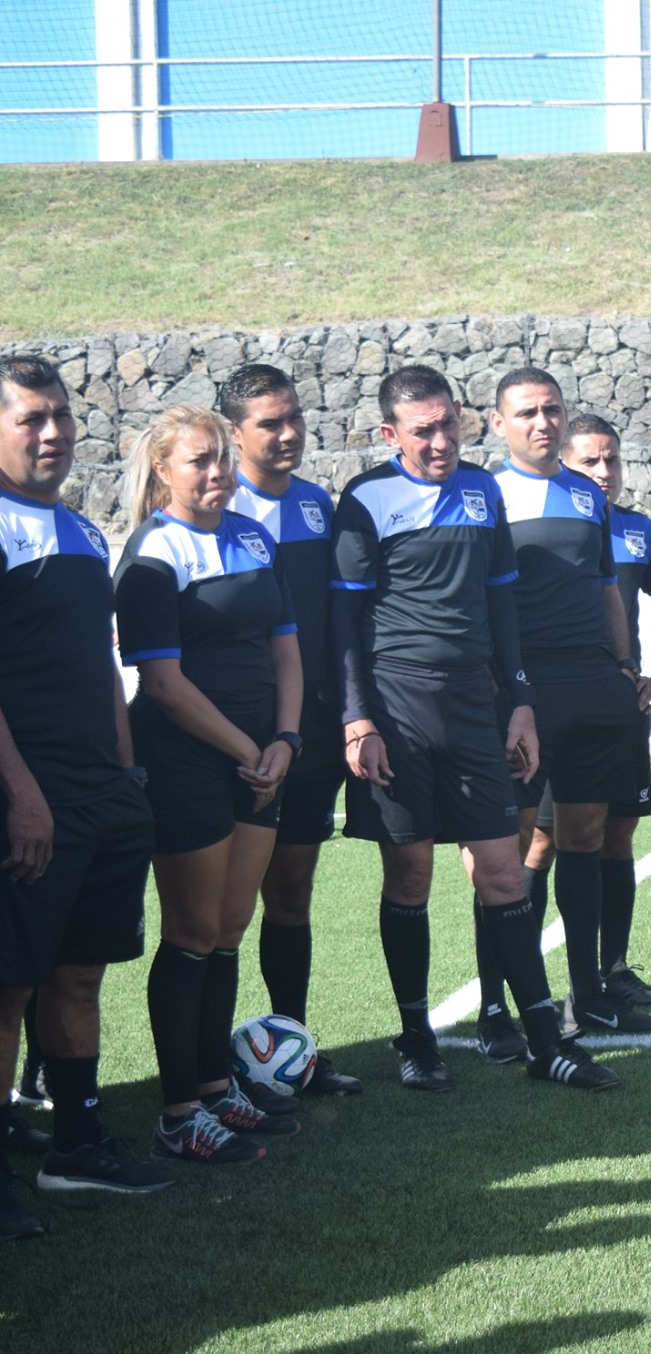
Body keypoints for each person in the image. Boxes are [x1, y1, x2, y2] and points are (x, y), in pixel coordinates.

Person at [333, 364, 616, 1092]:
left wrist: (519, 701)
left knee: (503, 871)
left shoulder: (481, 491)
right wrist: (357, 718)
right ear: (390, 434)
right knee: (411, 875)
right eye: (423, 430)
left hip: (473, 707)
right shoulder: (367, 498)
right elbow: (345, 622)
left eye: (448, 425)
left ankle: (545, 1042)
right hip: (395, 710)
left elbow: (500, 604)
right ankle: (416, 1037)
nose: (440, 441)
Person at [0, 355, 173, 1238]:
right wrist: (22, 794)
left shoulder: (78, 528)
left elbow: (100, 661)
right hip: (25, 795)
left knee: (78, 972)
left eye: (60, 415)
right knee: (8, 985)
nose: (53, 432)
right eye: (31, 418)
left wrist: (126, 769)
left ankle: (76, 1141)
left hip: (100, 792)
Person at [116, 405, 305, 1163]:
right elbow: (162, 684)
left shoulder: (254, 537)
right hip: (189, 762)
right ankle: (178, 1113)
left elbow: (286, 648)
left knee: (229, 929)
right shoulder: (152, 551)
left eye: (222, 456)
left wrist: (286, 740)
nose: (218, 471)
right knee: (192, 933)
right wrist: (247, 749)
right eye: (199, 460)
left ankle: (217, 1088)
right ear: (163, 469)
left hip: (261, 761)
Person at [471, 370, 651, 1051]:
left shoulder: (585, 494)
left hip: (593, 687)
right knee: (511, 853)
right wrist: (499, 684)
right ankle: (497, 1008)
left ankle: (588, 995)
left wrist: (624, 665)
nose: (542, 422)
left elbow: (607, 587)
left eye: (551, 409)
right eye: (526, 412)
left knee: (585, 839)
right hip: (519, 691)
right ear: (498, 423)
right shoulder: (483, 495)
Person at [222, 364, 361, 1099]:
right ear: (233, 433)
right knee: (217, 916)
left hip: (306, 738)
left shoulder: (316, 505)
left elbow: (336, 618)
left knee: (292, 897)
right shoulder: (211, 505)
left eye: (294, 417)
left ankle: (292, 1050)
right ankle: (203, 1070)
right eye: (269, 422)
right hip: (232, 741)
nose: (288, 433)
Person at [515, 413, 651, 1013]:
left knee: (617, 835)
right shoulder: (534, 513)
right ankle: (524, 977)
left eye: (612, 459)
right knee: (541, 842)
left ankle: (611, 971)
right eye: (590, 461)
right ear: (566, 462)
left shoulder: (633, 527)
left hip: (615, 702)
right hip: (547, 701)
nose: (604, 471)